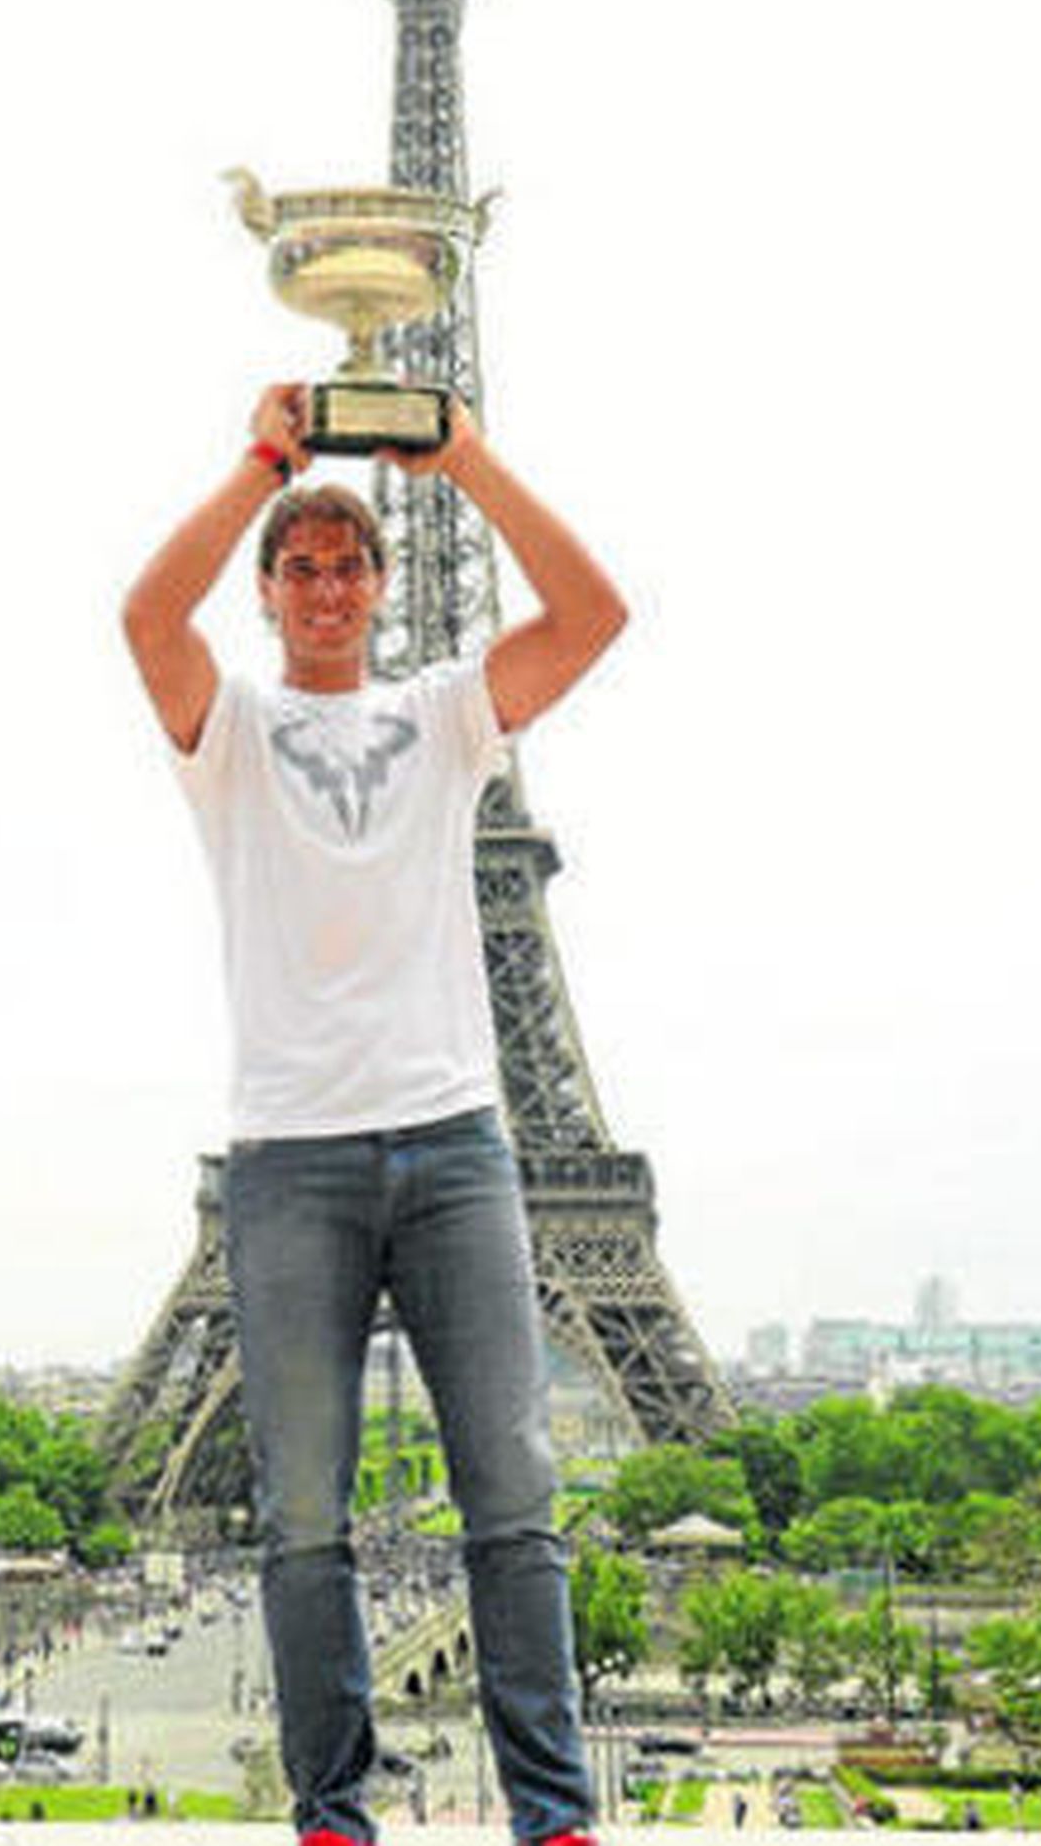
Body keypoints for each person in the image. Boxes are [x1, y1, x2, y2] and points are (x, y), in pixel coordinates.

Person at [122, 382, 628, 1846]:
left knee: (515, 1503)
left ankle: (554, 1813)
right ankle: (332, 1812)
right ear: (273, 592)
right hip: (290, 1158)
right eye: (303, 567)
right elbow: (147, 621)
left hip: (459, 1137)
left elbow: (592, 615)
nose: (330, 588)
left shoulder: (445, 711)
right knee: (302, 1520)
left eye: (351, 566)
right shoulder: (231, 728)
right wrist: (255, 467)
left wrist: (461, 454)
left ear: (383, 585)